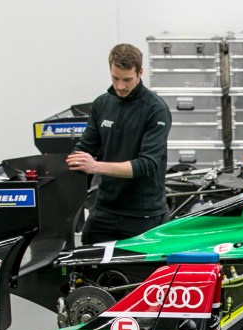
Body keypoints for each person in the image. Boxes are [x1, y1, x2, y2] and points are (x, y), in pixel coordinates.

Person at [66, 44, 171, 245]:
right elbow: (85, 147)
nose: (120, 86)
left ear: (140, 72)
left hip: (144, 216)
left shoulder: (156, 109)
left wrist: (95, 167)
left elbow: (147, 165)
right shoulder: (102, 104)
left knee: (140, 275)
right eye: (115, 78)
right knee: (87, 267)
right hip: (105, 210)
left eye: (127, 80)